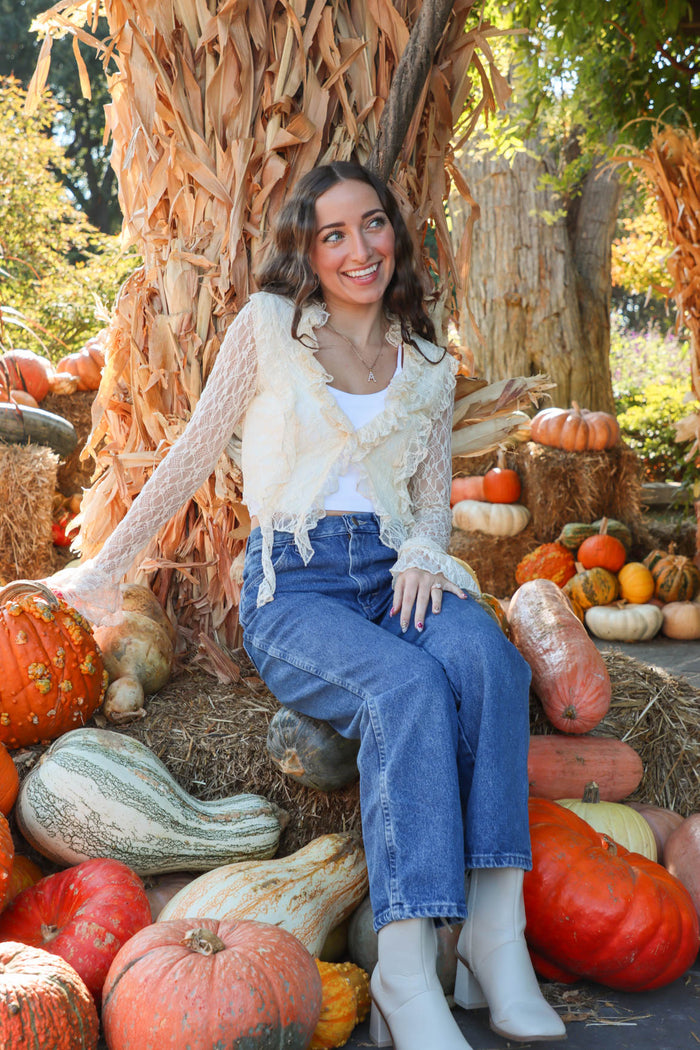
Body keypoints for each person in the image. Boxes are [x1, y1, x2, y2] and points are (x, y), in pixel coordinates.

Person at [46, 161, 565, 1050]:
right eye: (333, 235)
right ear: (309, 251)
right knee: (404, 688)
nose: (359, 248)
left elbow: (434, 494)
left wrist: (427, 552)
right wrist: (103, 566)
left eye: (371, 225)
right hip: (299, 584)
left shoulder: (428, 362)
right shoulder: (270, 328)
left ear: (393, 232)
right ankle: (406, 973)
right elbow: (191, 451)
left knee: (489, 658)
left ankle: (493, 934)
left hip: (400, 570)